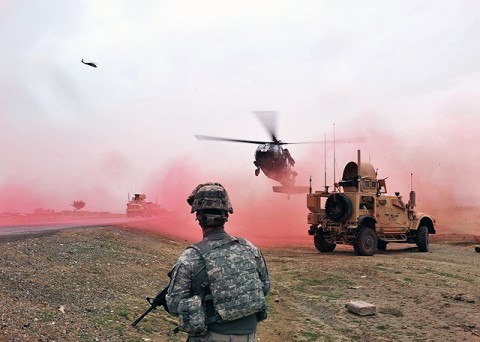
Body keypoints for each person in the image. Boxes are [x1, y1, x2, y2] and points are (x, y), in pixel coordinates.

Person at [166, 182, 270, 342]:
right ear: (226, 215)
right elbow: (264, 287)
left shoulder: (190, 257)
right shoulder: (250, 248)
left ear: (198, 217)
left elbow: (174, 306)